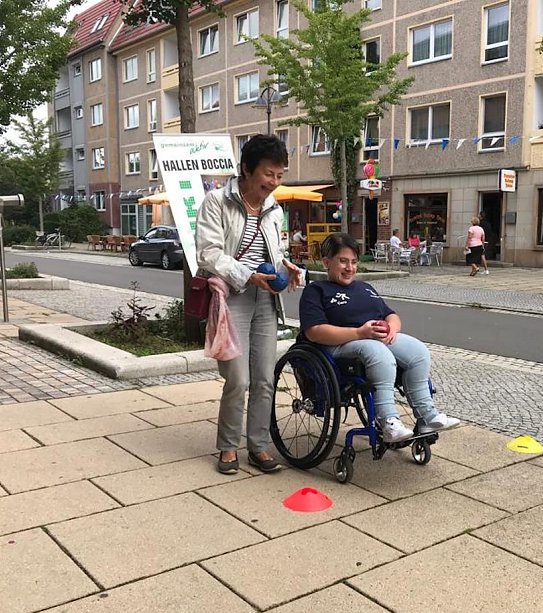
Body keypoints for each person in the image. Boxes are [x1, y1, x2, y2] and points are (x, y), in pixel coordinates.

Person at [196, 134, 303, 475]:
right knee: (238, 379)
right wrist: (247, 274)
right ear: (245, 169)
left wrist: (286, 265)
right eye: (268, 174)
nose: (273, 183)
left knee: (264, 379)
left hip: (265, 300)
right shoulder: (216, 202)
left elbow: (276, 251)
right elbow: (208, 252)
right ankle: (228, 446)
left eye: (280, 176)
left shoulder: (274, 210)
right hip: (233, 299)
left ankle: (258, 446)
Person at [300, 233, 460, 442]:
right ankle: (388, 421)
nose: (350, 268)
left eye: (354, 262)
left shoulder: (365, 288)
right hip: (337, 346)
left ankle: (427, 415)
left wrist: (392, 328)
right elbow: (314, 331)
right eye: (343, 261)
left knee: (418, 352)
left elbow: (390, 314)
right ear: (327, 262)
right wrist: (360, 333)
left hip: (374, 338)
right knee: (378, 353)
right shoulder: (316, 290)